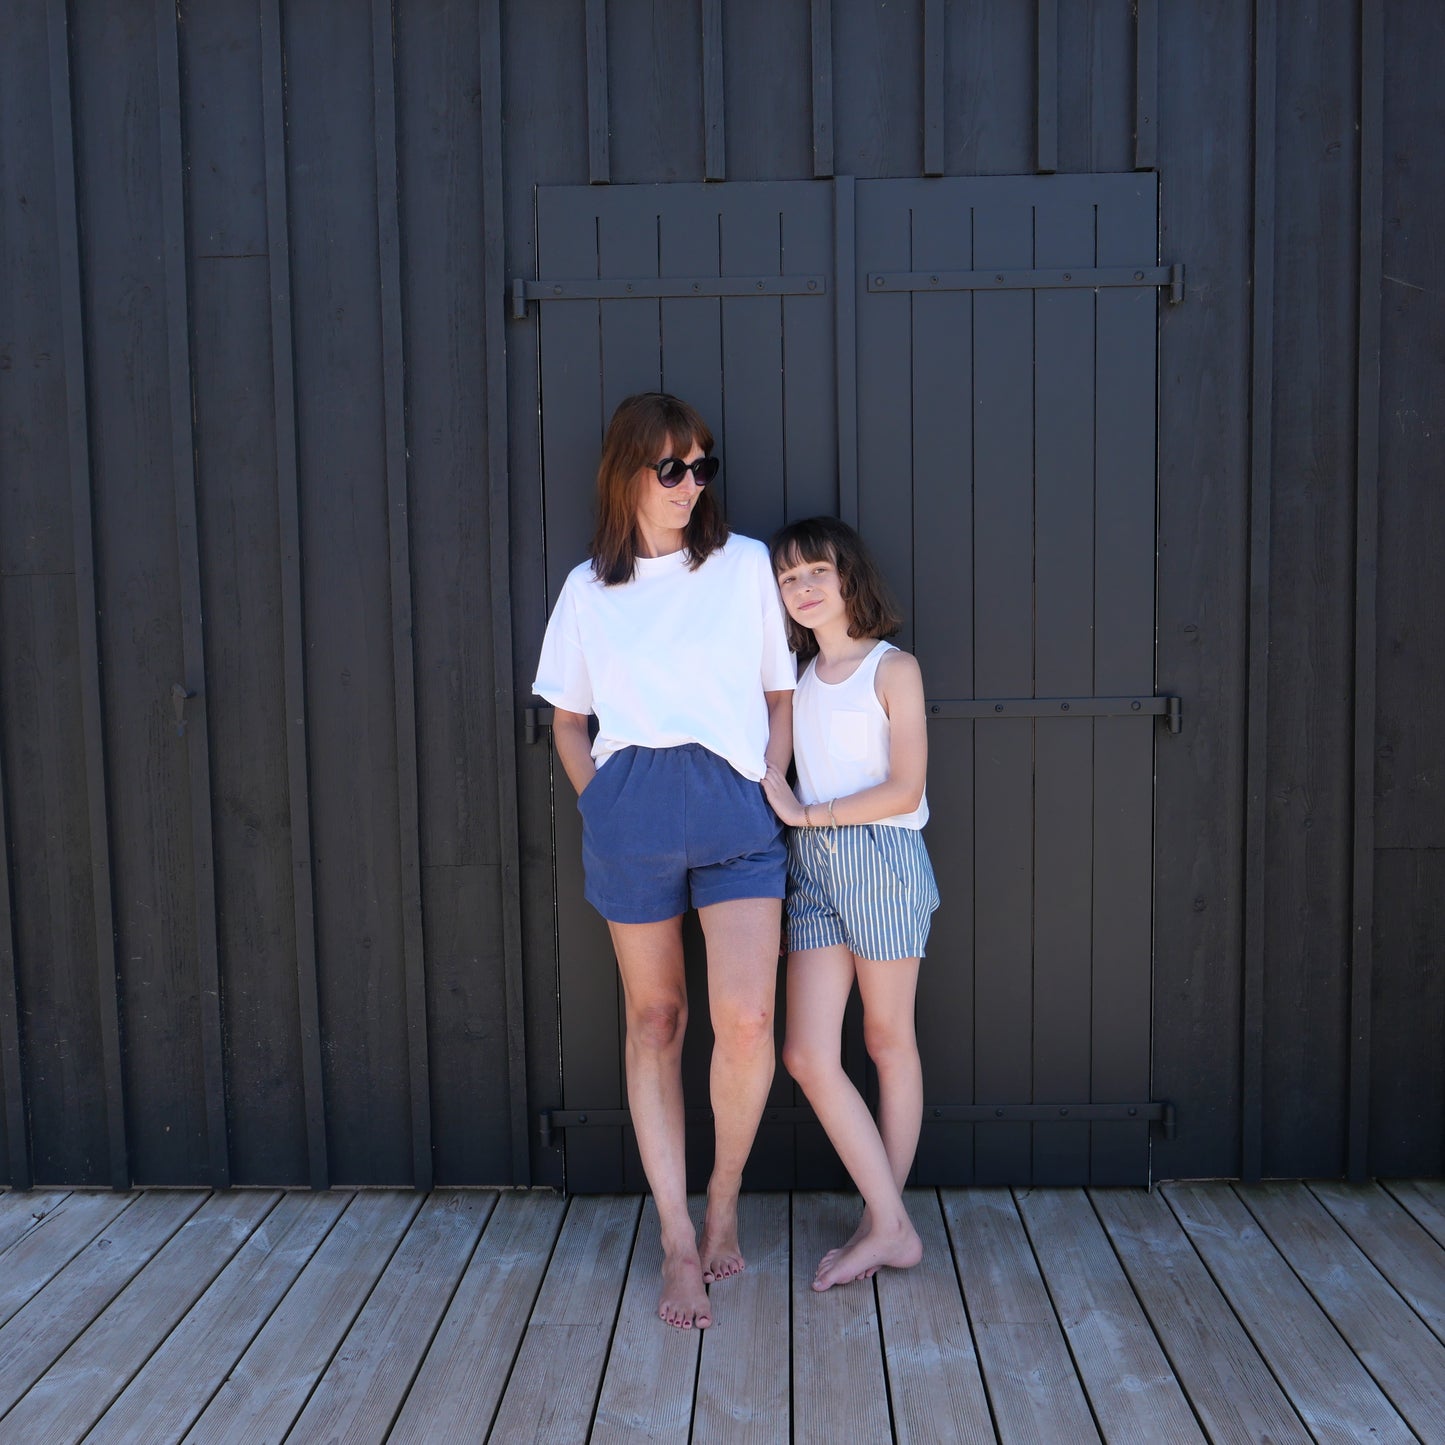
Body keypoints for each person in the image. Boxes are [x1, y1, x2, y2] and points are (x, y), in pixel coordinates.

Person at [533, 392, 795, 1330]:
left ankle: (723, 1197)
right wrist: (600, 800)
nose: (690, 485)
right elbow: (567, 719)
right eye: (671, 468)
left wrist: (768, 781)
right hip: (631, 806)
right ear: (628, 473)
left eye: (701, 466)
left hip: (734, 805)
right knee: (655, 1019)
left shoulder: (743, 565)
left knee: (747, 1017)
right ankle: (677, 1238)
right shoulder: (587, 590)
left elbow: (779, 693)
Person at [762, 516, 939, 1291]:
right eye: (787, 578)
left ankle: (880, 1222)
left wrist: (807, 815)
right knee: (806, 1053)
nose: (802, 587)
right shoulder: (796, 681)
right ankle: (892, 1226)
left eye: (816, 571)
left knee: (886, 1039)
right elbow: (767, 771)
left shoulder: (892, 668)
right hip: (812, 871)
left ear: (847, 576)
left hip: (880, 858)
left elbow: (905, 787)